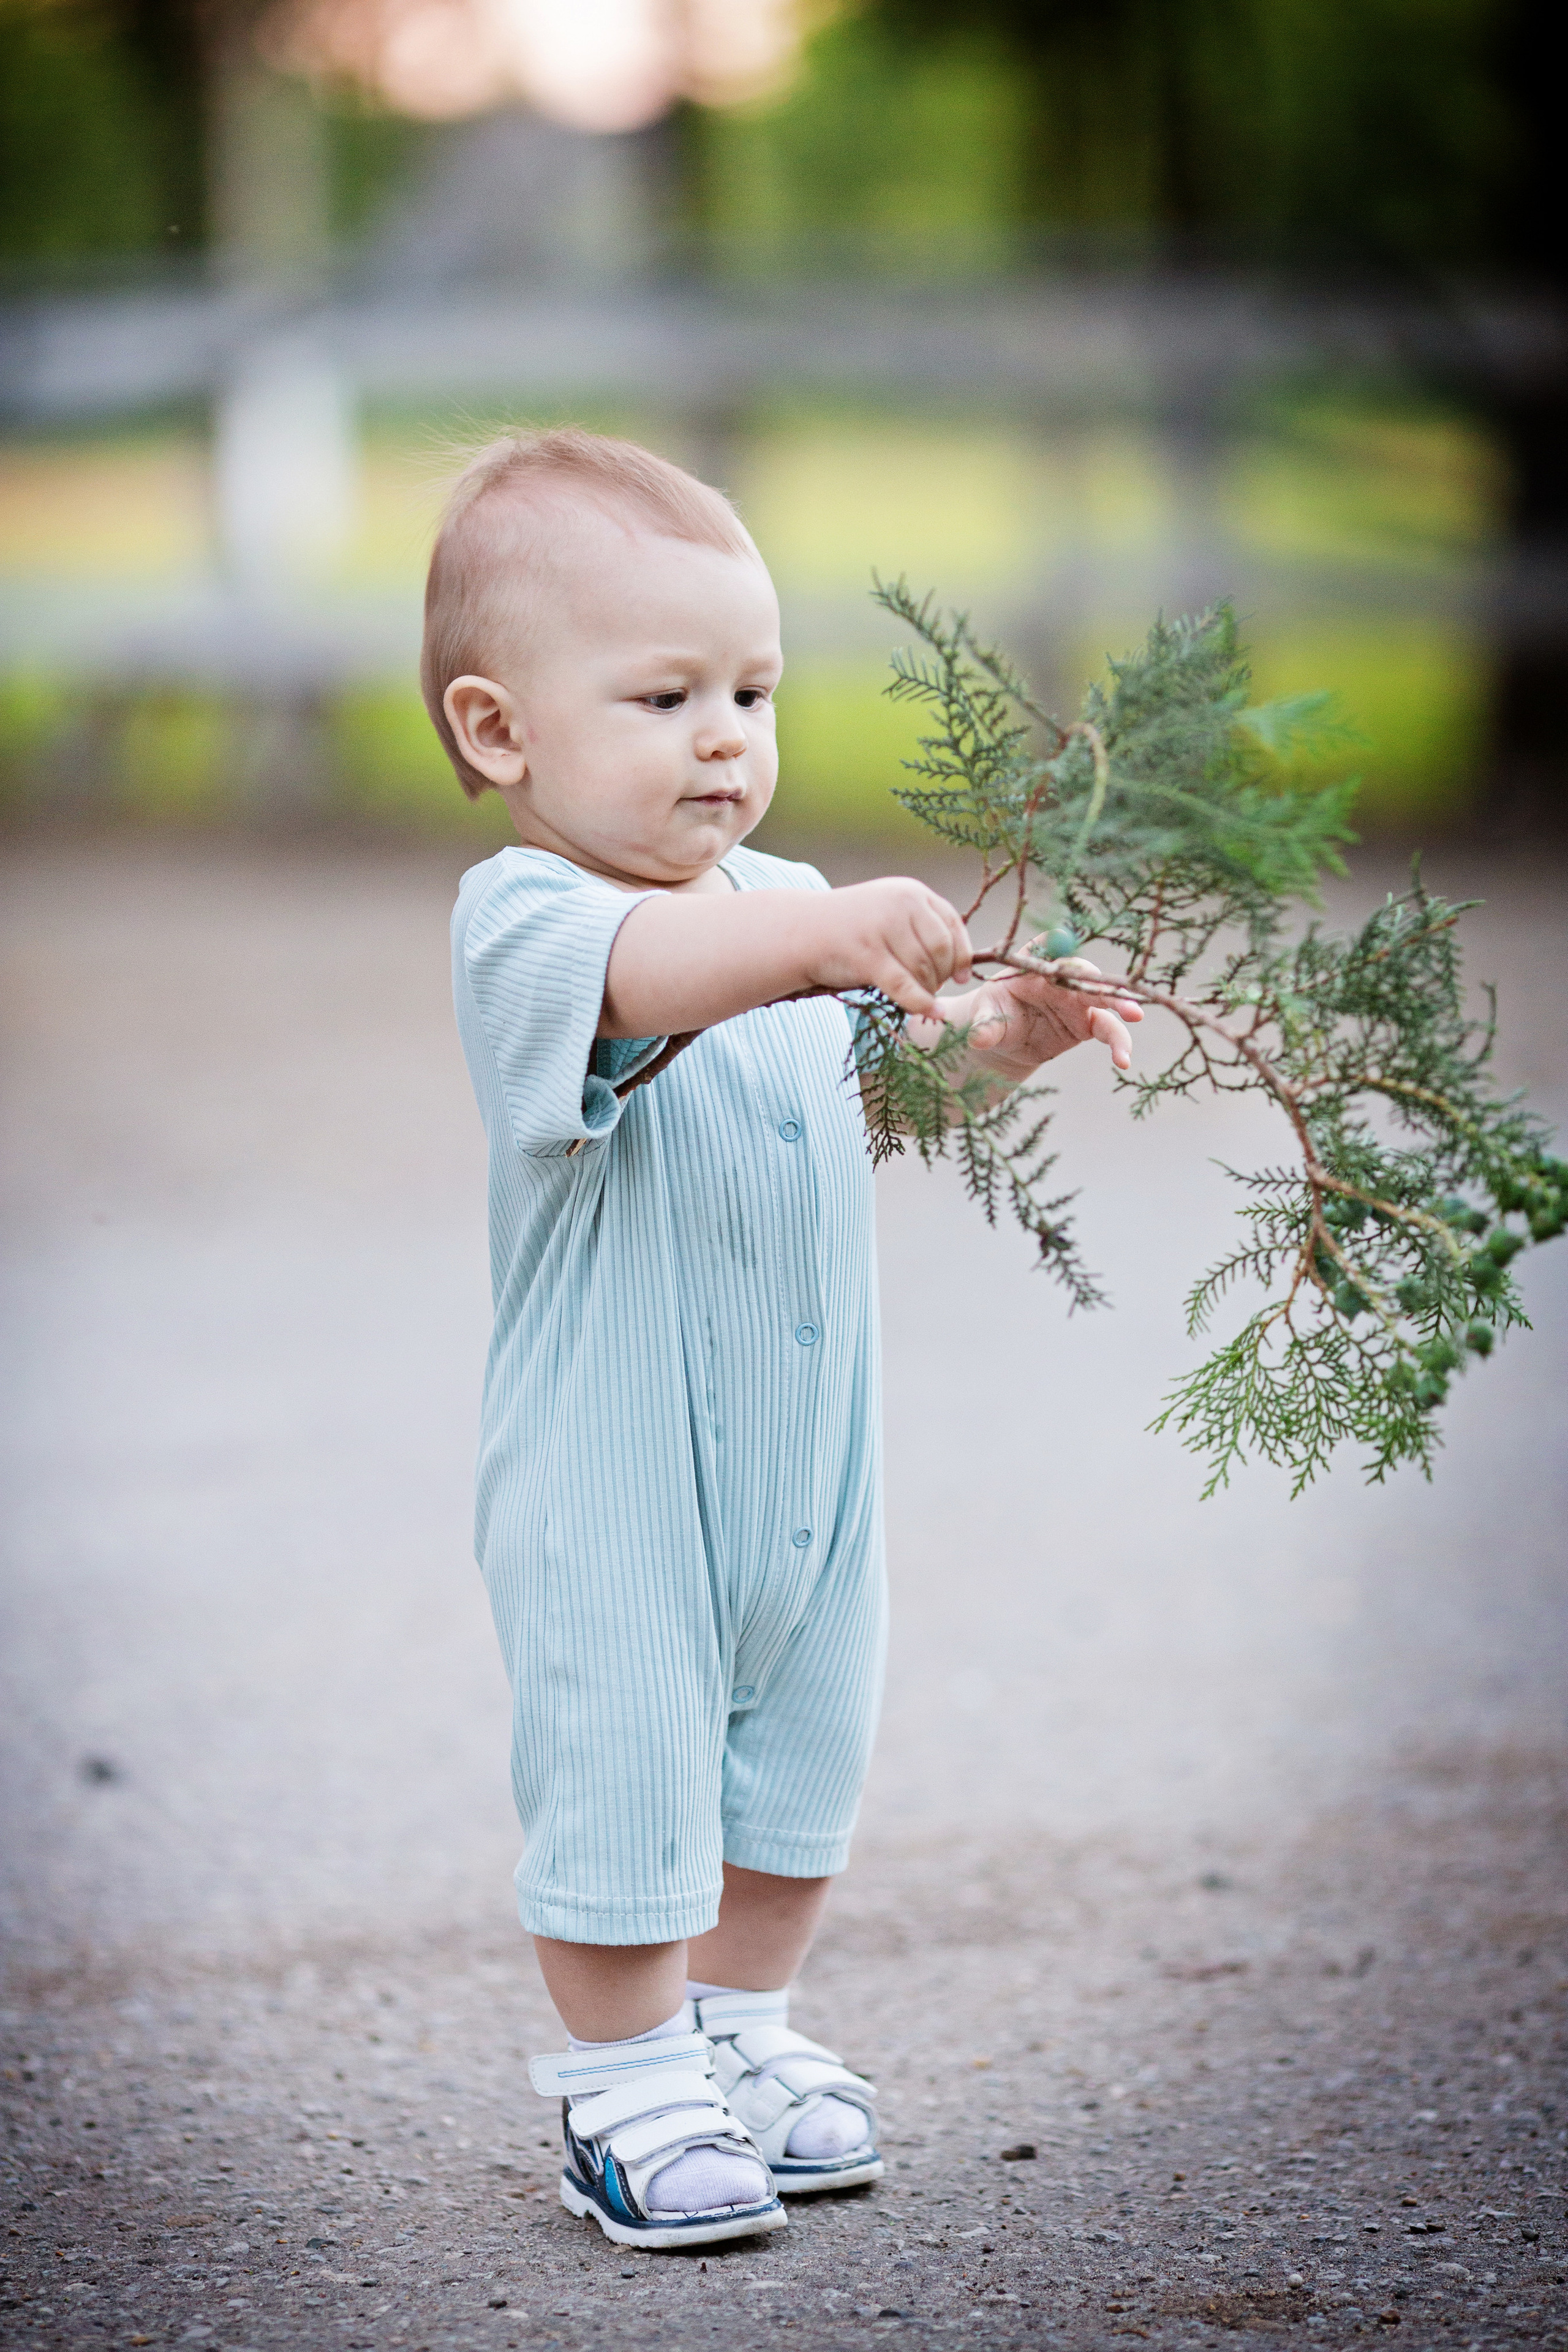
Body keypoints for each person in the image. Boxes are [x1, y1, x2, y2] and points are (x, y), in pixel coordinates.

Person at [428, 426, 1140, 2251]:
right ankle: (623, 2076)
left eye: (752, 691)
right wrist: (825, 933)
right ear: (502, 733)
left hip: (809, 1467)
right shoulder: (531, 923)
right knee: (626, 1765)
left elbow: (893, 1085)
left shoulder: (779, 909)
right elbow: (658, 981)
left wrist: (1012, 1035)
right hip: (616, 1479)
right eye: (664, 697)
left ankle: (740, 2028)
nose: (726, 738)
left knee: (799, 1760)